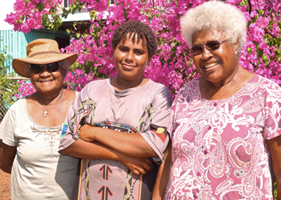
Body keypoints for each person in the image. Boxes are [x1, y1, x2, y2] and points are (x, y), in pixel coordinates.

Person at [152, 1, 281, 199]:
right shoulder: (186, 94)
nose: (205, 55)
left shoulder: (267, 94)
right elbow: (170, 161)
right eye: (197, 49)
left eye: (214, 45)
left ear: (236, 42)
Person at [59, 20, 173, 200]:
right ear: (113, 51)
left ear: (149, 58)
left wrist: (93, 132)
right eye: (124, 49)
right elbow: (66, 141)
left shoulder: (157, 94)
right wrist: (121, 156)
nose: (129, 57)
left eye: (138, 52)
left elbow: (153, 145)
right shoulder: (92, 90)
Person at [0, 39, 79, 199]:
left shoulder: (82, 105)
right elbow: (4, 162)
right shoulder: (17, 110)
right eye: (37, 68)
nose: (45, 73)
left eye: (52, 66)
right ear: (30, 73)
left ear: (63, 69)